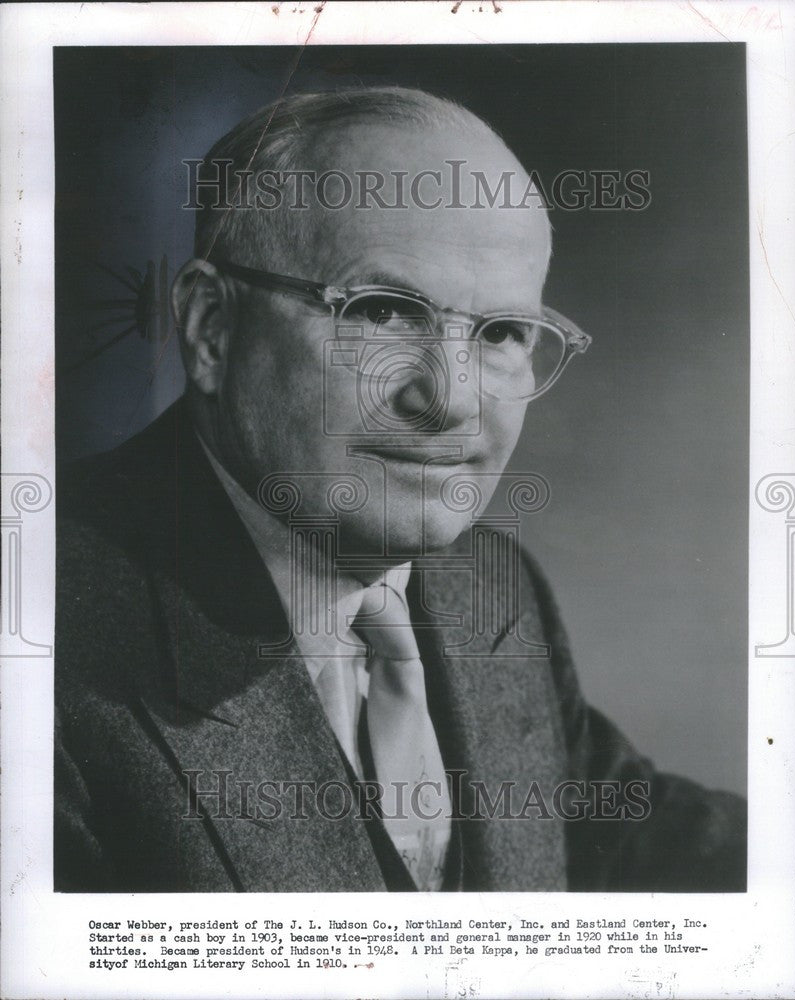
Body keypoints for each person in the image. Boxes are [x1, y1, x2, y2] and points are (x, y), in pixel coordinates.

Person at [55, 87, 745, 893]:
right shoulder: (42, 643)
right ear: (211, 326)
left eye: (501, 334)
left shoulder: (490, 590)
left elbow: (623, 833)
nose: (448, 398)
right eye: (382, 312)